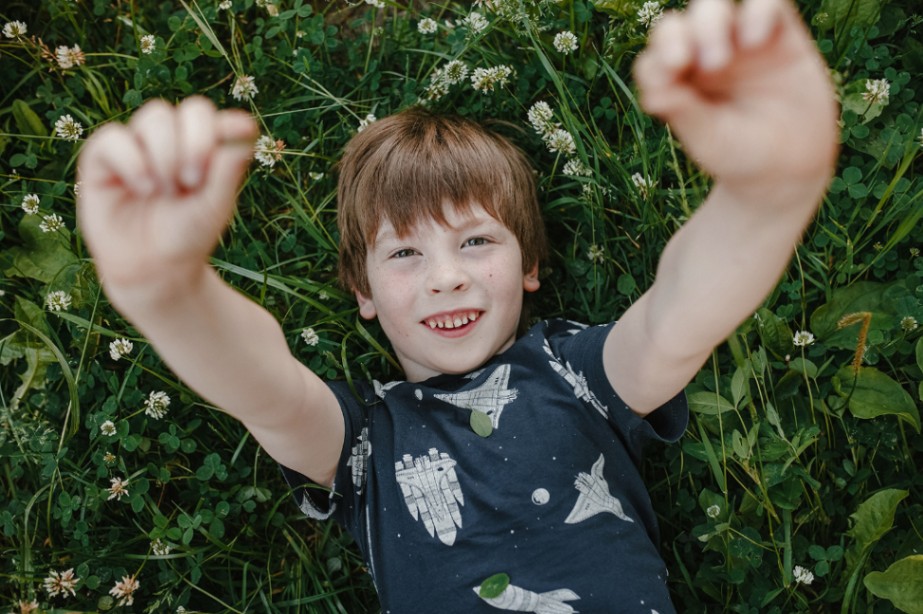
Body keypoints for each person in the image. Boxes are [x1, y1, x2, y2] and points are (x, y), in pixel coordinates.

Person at [76, 0, 838, 610]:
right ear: (363, 293)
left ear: (530, 264)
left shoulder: (573, 374)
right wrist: (170, 294)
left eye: (476, 243)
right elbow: (263, 390)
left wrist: (764, 199)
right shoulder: (366, 437)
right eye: (404, 253)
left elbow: (678, 320)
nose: (446, 277)